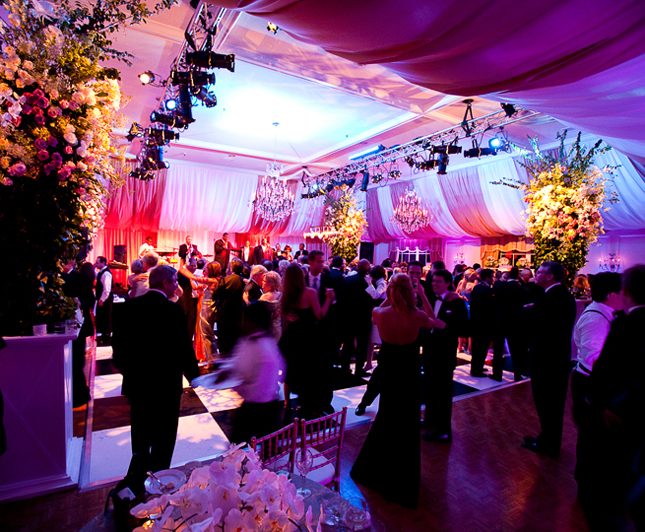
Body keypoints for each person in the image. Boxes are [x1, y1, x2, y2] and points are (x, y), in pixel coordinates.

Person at [351, 274, 438, 508]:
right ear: (410, 291)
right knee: (407, 421)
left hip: (388, 368)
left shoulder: (380, 313)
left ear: (390, 291)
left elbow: (375, 311)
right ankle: (402, 476)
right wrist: (421, 296)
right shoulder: (417, 315)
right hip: (408, 371)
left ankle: (378, 470)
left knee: (387, 417)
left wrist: (389, 297)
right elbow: (434, 322)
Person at [111, 264, 200, 487]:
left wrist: (130, 372)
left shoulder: (126, 308)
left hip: (137, 385)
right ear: (166, 283)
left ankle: (138, 483)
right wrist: (194, 375)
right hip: (166, 386)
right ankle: (159, 485)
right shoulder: (173, 311)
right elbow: (183, 347)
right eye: (175, 282)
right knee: (164, 438)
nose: (177, 287)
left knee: (140, 436)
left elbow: (118, 352)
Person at [582, 265, 645, 530]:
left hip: (624, 413)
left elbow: (607, 370)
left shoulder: (627, 324)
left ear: (626, 291)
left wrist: (596, 405)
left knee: (610, 488)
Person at [522, 261, 577, 457]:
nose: (535, 275)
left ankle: (549, 444)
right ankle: (546, 437)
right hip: (553, 358)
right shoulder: (557, 295)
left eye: (539, 272)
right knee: (548, 403)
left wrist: (530, 311)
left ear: (550, 276)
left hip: (548, 360)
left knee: (549, 403)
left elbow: (543, 325)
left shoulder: (554, 297)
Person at [279, 263, 334, 417]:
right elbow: (320, 315)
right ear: (301, 275)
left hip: (291, 336)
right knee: (310, 370)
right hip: (308, 337)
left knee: (291, 368)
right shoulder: (309, 292)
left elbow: (285, 315)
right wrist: (329, 299)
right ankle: (308, 404)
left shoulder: (285, 292)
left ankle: (288, 401)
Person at [422, 269, 469, 442]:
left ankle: (444, 430)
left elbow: (465, 328)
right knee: (429, 387)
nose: (434, 284)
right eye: (433, 281)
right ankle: (429, 420)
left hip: (445, 353)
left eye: (439, 282)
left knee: (443, 391)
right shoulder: (430, 297)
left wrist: (446, 327)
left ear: (448, 283)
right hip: (429, 350)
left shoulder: (456, 302)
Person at [230, 302, 286, 444]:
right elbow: (238, 361)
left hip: (259, 407)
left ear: (253, 322)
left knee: (241, 446)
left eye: (246, 319)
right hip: (261, 404)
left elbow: (249, 376)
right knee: (261, 447)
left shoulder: (259, 346)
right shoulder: (258, 341)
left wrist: (237, 384)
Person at [491, 266, 531, 381]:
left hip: (500, 321)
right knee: (515, 349)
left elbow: (494, 294)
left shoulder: (502, 287)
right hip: (515, 322)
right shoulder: (522, 289)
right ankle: (517, 374)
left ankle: (497, 374)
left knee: (498, 350)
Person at [338, 258, 373, 376]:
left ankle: (345, 367)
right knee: (362, 345)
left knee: (348, 343)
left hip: (348, 316)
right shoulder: (368, 283)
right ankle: (359, 369)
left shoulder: (347, 280)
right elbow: (371, 300)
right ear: (368, 269)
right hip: (363, 318)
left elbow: (341, 299)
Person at [214, 258, 245, 355]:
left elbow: (215, 295)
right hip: (238, 314)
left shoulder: (225, 280)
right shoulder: (243, 280)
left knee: (223, 341)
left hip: (224, 313)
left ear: (231, 268)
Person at [468, 268, 496, 377]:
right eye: (492, 277)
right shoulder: (485, 290)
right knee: (481, 347)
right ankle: (476, 370)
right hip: (483, 324)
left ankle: (477, 367)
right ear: (487, 277)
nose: (493, 279)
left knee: (478, 347)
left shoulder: (478, 288)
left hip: (476, 322)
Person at [200, 261, 221, 362]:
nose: (204, 271)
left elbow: (194, 278)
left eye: (206, 269)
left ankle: (212, 360)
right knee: (208, 334)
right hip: (209, 307)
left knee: (207, 334)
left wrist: (183, 266)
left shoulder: (212, 281)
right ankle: (212, 359)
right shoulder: (215, 281)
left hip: (208, 308)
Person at [94, 256, 113, 346]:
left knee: (106, 317)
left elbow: (107, 289)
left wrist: (102, 299)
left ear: (103, 263)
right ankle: (102, 336)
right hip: (101, 298)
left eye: (97, 262)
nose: (96, 264)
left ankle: (107, 337)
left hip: (105, 299)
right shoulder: (101, 272)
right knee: (101, 317)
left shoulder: (106, 274)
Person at [259, 270, 282, 340]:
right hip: (278, 328)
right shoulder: (281, 295)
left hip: (267, 330)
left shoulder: (264, 297)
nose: (262, 283)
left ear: (270, 284)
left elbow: (259, 316)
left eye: (264, 281)